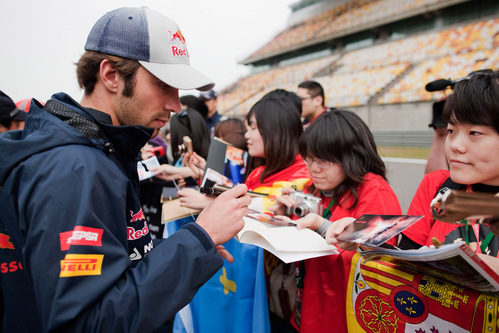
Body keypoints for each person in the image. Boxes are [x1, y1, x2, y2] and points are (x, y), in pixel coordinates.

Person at [0, 7, 251, 332]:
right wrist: (197, 240)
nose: (176, 104)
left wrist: (180, 247)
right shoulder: (76, 168)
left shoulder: (96, 150)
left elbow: (110, 266)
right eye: (164, 85)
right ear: (111, 75)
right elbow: (87, 322)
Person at [175, 89, 311, 333]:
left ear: (275, 130)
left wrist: (208, 204)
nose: (246, 135)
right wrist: (204, 172)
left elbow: (266, 208)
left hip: (283, 296)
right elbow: (245, 196)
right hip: (254, 284)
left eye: (254, 128)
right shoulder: (260, 172)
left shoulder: (302, 176)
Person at [270, 109, 402, 332]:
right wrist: (282, 219)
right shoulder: (311, 188)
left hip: (343, 314)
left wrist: (323, 227)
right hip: (309, 304)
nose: (314, 168)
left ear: (351, 155)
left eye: (323, 160)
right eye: (309, 158)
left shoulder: (374, 190)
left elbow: (380, 257)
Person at [400, 70, 499, 259]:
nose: (455, 146)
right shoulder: (435, 186)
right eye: (451, 131)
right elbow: (405, 262)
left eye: (474, 133)